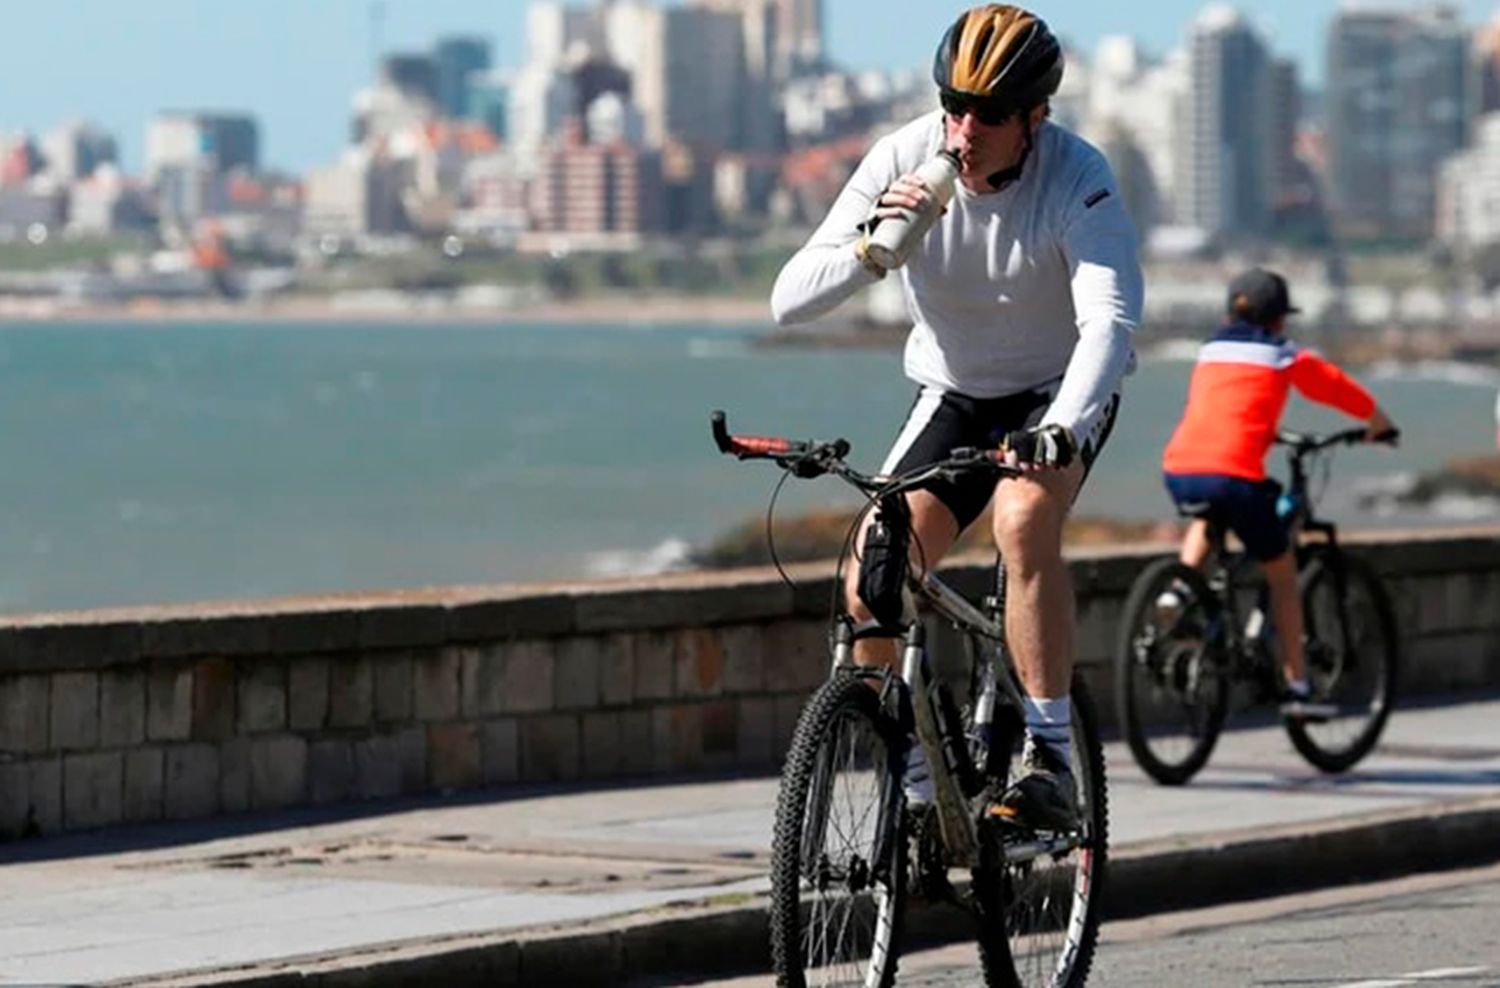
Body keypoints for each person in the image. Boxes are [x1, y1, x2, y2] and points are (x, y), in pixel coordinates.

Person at [770, 4, 1144, 831]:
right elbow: (788, 298)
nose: (965, 129)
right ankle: (912, 783)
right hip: (955, 390)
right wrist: (874, 245)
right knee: (872, 574)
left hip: (1056, 388)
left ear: (1035, 118)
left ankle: (1050, 760)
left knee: (1021, 519)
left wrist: (1064, 428)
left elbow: (1108, 326)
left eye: (991, 114)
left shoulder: (1078, 177)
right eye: (954, 105)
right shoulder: (905, 156)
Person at [1160, 268, 1397, 718]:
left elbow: (1229, 408)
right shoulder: (1281, 355)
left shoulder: (1211, 351)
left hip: (1181, 468)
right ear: (1278, 320)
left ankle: (1178, 590)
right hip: (1233, 476)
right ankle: (1299, 687)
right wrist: (1378, 423)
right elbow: (1332, 385)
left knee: (1209, 518)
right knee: (1283, 575)